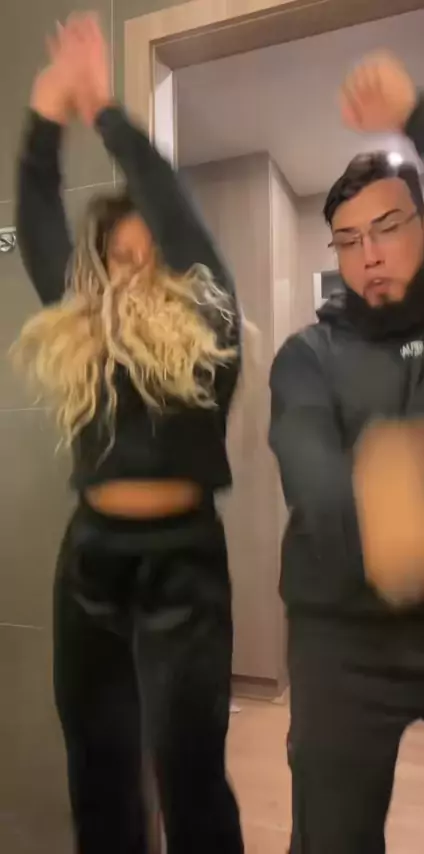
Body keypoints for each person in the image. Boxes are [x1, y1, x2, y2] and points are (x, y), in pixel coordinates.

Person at [13, 13, 243, 854]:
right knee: (100, 777)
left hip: (184, 565)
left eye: (153, 252)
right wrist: (44, 117)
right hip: (91, 563)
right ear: (100, 264)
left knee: (192, 779)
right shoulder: (84, 331)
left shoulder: (209, 325)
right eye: (120, 253)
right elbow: (37, 216)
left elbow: (175, 209)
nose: (137, 265)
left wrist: (105, 112)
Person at [269, 51, 424, 853]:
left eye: (387, 228)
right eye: (349, 240)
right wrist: (380, 518)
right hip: (344, 634)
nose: (370, 254)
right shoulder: (307, 356)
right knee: (331, 836)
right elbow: (310, 473)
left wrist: (421, 114)